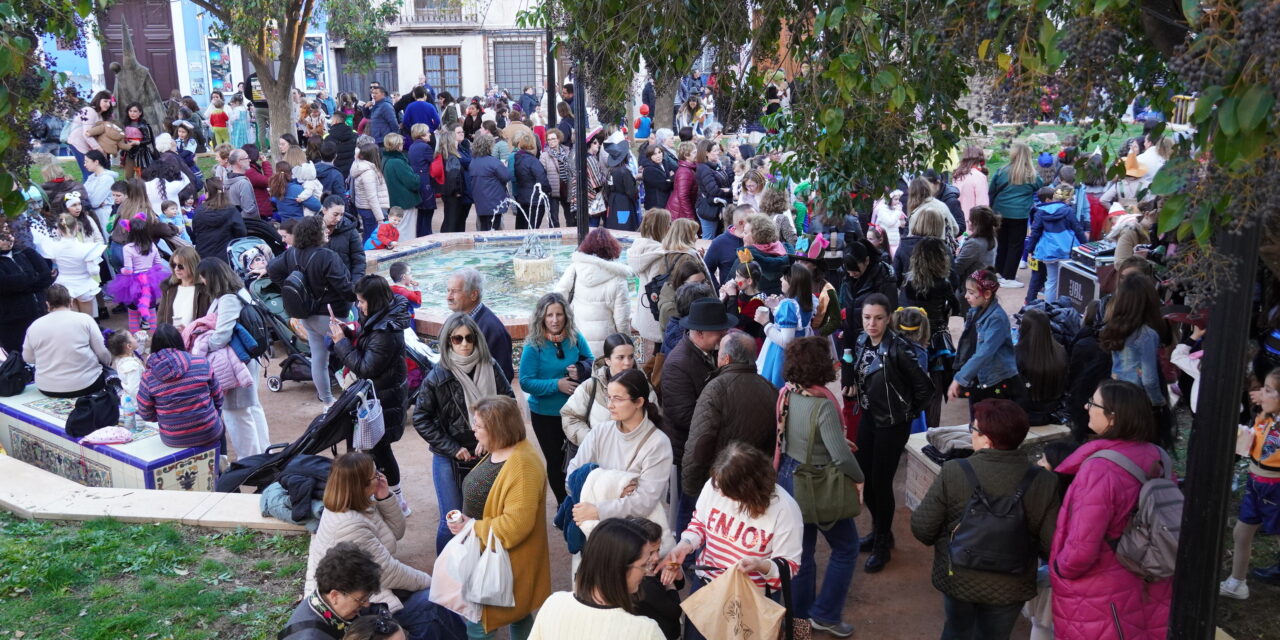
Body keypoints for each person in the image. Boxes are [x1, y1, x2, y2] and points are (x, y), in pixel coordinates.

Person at [911, 399, 1060, 640]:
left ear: (987, 439)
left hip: (958, 576)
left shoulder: (954, 471)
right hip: (1011, 583)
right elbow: (1050, 544)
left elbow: (922, 528)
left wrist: (951, 540)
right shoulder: (1044, 481)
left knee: (957, 630)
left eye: (974, 430)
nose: (972, 435)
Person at [1050, 380, 1171, 639]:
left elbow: (1082, 548)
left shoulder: (1100, 469)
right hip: (1150, 578)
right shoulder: (1159, 456)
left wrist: (1061, 568)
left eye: (1093, 403)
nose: (1086, 406)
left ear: (1113, 417)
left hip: (1101, 594)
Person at [305, 452, 458, 640]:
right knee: (431, 603)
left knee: (433, 603)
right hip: (361, 603)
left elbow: (396, 533)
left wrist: (385, 498)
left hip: (368, 589)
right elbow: (389, 573)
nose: (380, 478)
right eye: (375, 476)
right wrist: (432, 582)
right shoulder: (350, 524)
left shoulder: (353, 503)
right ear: (359, 485)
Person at [662, 443, 803, 640]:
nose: (718, 492)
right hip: (707, 586)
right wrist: (685, 544)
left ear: (748, 489)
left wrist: (761, 565)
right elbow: (699, 524)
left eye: (726, 489)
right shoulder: (715, 485)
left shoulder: (785, 509)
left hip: (752, 598)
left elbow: (790, 567)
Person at [775, 336, 864, 637]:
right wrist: (859, 477)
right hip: (816, 481)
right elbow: (839, 456)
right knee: (847, 546)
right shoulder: (822, 405)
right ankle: (825, 614)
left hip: (788, 476)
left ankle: (799, 624)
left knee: (802, 555)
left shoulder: (787, 394)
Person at [445, 396, 552, 639]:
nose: (473, 429)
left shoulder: (523, 467)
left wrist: (472, 527)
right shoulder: (501, 450)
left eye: (479, 426)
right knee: (519, 612)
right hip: (494, 556)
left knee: (478, 624)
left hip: (501, 561)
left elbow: (515, 526)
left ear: (498, 430)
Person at [413, 312, 514, 552]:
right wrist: (452, 448)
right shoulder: (438, 376)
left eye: (469, 338)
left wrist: (491, 434)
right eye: (457, 339)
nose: (465, 344)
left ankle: (480, 571)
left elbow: (508, 402)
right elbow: (421, 417)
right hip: (450, 455)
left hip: (488, 451)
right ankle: (445, 579)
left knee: (486, 515)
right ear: (448, 341)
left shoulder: (490, 366)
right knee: (452, 519)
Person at [848, 293, 934, 572]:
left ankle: (882, 542)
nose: (871, 324)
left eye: (878, 318)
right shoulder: (862, 341)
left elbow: (925, 390)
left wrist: (905, 414)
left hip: (892, 424)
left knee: (881, 484)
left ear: (889, 320)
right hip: (870, 418)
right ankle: (880, 531)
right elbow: (862, 373)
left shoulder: (899, 349)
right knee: (865, 479)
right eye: (867, 318)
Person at [330, 275, 413, 515]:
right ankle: (392, 498)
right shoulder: (382, 316)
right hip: (381, 395)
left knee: (380, 450)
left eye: (362, 302)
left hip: (383, 398)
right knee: (377, 449)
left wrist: (340, 343)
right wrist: (348, 330)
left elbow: (366, 367)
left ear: (374, 301)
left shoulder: (386, 331)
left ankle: (397, 501)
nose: (359, 306)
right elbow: (366, 335)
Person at [660, 298, 736, 531]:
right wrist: (724, 417)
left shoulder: (707, 352)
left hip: (705, 448)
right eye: (718, 331)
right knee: (692, 510)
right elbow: (683, 416)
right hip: (689, 452)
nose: (723, 334)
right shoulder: (677, 364)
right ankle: (688, 563)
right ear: (700, 333)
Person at [528, 518, 666, 640]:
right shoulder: (645, 631)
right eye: (643, 565)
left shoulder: (553, 604)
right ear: (619, 569)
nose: (646, 571)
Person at [267, 216, 355, 408]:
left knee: (319, 359)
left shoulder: (292, 254)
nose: (327, 231)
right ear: (315, 233)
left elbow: (272, 269)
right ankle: (358, 394)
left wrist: (289, 289)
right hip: (332, 317)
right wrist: (362, 297)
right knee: (354, 354)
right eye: (323, 229)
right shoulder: (328, 256)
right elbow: (345, 288)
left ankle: (327, 402)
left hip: (308, 317)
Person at [520, 293, 592, 505]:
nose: (554, 319)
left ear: (566, 316)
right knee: (556, 461)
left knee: (579, 456)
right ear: (541, 317)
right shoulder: (533, 345)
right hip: (546, 414)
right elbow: (525, 382)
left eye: (559, 314)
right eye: (549, 315)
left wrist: (581, 369)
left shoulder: (575, 337)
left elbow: (591, 361)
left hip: (576, 411)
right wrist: (556, 385)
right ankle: (564, 505)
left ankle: (581, 498)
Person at [197, 258, 271, 458]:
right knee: (252, 407)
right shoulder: (239, 292)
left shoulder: (228, 299)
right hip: (245, 359)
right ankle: (263, 453)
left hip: (235, 362)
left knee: (236, 413)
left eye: (203, 277)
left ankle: (249, 460)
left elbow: (222, 335)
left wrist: (203, 343)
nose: (201, 281)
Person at [1220, 369, 1280, 599]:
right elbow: (1254, 441)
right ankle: (1237, 582)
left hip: (1275, 488)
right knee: (1241, 533)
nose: (1261, 393)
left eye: (1268, 390)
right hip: (1254, 484)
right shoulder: (1265, 416)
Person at [1099, 273, 1171, 447]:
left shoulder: (1113, 327)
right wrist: (1158, 403)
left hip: (1115, 395)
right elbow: (1149, 378)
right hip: (1138, 400)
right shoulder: (1147, 335)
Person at [899, 236, 959, 428]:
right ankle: (931, 430)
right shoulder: (944, 284)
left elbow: (903, 308)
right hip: (938, 341)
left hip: (912, 338)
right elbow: (956, 308)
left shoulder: (909, 284)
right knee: (934, 387)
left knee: (911, 385)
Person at [136, 323, 224, 449]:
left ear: (154, 346)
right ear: (179, 341)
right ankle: (221, 459)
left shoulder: (148, 376)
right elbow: (219, 398)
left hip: (172, 438)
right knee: (217, 418)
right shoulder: (202, 363)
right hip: (208, 433)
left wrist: (167, 415)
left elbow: (145, 413)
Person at [560, 333, 652, 451]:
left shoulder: (643, 385)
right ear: (607, 360)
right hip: (599, 459)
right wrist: (594, 442)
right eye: (621, 357)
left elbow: (655, 417)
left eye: (631, 356)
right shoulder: (591, 385)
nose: (628, 363)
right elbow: (570, 416)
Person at [949, 270, 1023, 411]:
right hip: (979, 376)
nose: (966, 296)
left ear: (987, 294)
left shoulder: (996, 319)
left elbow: (984, 353)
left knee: (988, 422)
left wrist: (960, 378)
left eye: (971, 292)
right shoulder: (975, 311)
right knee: (977, 421)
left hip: (994, 381)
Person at [280, 542, 383, 640]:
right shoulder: (312, 636)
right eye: (361, 600)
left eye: (367, 598)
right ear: (335, 596)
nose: (366, 604)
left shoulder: (321, 600)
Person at [23, 284, 112, 397]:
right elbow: (102, 353)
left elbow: (28, 358)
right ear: (70, 301)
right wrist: (108, 362)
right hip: (87, 384)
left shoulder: (34, 325)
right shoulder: (85, 319)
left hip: (46, 387)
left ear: (48, 304)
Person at [554, 228, 632, 355]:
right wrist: (627, 345)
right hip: (606, 344)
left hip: (577, 339)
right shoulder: (618, 278)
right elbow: (622, 321)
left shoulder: (575, 269)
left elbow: (557, 297)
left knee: (582, 372)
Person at [988, 142, 1043, 287]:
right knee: (1015, 245)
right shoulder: (1032, 175)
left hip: (1000, 212)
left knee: (1002, 243)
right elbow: (1040, 185)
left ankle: (998, 272)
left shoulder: (1001, 171)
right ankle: (1009, 276)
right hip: (1020, 215)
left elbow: (992, 189)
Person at [104, 213, 169, 334]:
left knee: (133, 313)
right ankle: (153, 337)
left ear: (130, 232)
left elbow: (128, 270)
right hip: (151, 282)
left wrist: (122, 271)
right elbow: (159, 265)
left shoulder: (128, 248)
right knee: (152, 310)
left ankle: (137, 340)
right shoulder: (152, 245)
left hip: (133, 283)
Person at [445, 268, 513, 382]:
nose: (449, 297)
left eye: (455, 291)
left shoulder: (491, 329)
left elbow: (504, 377)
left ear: (473, 295)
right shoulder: (456, 320)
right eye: (448, 291)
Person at [755, 262, 817, 387]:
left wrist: (765, 323)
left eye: (784, 277)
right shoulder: (808, 299)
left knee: (775, 390)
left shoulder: (788, 305)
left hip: (781, 356)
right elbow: (797, 325)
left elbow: (786, 341)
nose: (780, 279)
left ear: (792, 282)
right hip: (800, 353)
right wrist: (776, 308)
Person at [1026, 184, 1087, 304]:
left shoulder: (1040, 212)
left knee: (1051, 281)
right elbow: (1078, 229)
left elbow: (1035, 233)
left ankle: (1050, 307)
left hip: (1049, 252)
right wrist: (1085, 246)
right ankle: (1065, 306)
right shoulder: (1068, 210)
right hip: (1067, 250)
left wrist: (1030, 249)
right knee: (1068, 280)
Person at [0, 222, 54, 352]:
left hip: (40, 312)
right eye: (2, 236)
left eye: (9, 233)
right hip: (13, 321)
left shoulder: (25, 252)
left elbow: (47, 276)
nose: (8, 239)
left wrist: (23, 283)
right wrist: (33, 279)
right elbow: (5, 284)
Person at [626, 210, 674, 355]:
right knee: (661, 353)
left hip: (644, 311)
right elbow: (660, 288)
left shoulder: (639, 249)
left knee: (657, 352)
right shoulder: (660, 255)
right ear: (662, 227)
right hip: (657, 314)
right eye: (669, 224)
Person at [1017, 308, 1068, 425]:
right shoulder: (1061, 351)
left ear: (1024, 328)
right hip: (1053, 409)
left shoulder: (1018, 354)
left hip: (1026, 411)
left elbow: (1022, 386)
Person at [48, 214, 105, 316]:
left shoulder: (53, 247)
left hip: (65, 286)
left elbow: (55, 262)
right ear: (77, 227)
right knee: (87, 319)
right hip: (84, 285)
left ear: (59, 230)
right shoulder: (86, 248)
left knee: (74, 319)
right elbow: (94, 271)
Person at [190, 178, 247, 266]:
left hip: (203, 257)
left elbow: (195, 232)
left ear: (207, 193)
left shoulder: (198, 212)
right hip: (226, 257)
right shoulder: (231, 210)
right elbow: (241, 232)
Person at [953, 206, 999, 309]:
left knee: (970, 319)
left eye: (970, 219)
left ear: (976, 224)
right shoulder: (992, 239)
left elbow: (957, 267)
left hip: (972, 289)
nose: (967, 221)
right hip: (984, 285)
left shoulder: (974, 244)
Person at [157, 246, 210, 332]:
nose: (176, 269)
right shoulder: (169, 288)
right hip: (172, 340)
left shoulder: (205, 290)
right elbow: (161, 318)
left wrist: (189, 332)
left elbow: (209, 321)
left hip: (195, 341)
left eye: (180, 266)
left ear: (192, 265)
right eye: (174, 265)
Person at [467, 132, 511, 231]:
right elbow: (507, 176)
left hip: (480, 201)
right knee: (494, 228)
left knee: (483, 227)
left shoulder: (473, 161)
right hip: (494, 201)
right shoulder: (493, 162)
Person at [703, 204, 752, 289]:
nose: (758, 222)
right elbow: (707, 269)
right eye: (752, 220)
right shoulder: (720, 242)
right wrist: (719, 290)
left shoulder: (758, 239)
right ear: (741, 223)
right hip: (732, 298)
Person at [433, 124, 471, 233]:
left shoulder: (448, 154)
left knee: (453, 220)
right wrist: (458, 192)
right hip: (455, 194)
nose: (461, 134)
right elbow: (454, 176)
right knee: (453, 221)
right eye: (457, 134)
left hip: (450, 192)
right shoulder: (453, 157)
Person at [381, 134, 420, 238]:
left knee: (398, 230)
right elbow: (413, 182)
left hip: (394, 201)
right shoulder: (397, 162)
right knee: (406, 232)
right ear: (398, 145)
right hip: (404, 202)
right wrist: (418, 177)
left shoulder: (385, 159)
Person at [351, 144, 391, 243]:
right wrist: (380, 218)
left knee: (368, 235)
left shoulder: (361, 166)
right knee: (371, 238)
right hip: (370, 210)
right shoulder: (368, 173)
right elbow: (372, 197)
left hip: (365, 208)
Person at [321, 196, 367, 280]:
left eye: (341, 215)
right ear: (324, 210)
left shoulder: (350, 230)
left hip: (344, 284)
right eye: (335, 214)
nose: (338, 219)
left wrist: (355, 284)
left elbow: (359, 261)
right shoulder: (312, 228)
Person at [512, 129, 551, 229]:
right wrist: (548, 190)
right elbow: (542, 180)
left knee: (522, 229)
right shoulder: (533, 161)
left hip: (523, 198)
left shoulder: (518, 159)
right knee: (532, 230)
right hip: (534, 200)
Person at [693, 140, 731, 239]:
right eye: (714, 150)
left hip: (714, 207)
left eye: (718, 150)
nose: (718, 152)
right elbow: (713, 190)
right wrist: (730, 192)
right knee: (708, 239)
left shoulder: (714, 166)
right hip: (707, 208)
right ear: (706, 153)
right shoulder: (704, 169)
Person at [405, 124, 437, 236]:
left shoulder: (413, 146)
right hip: (426, 183)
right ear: (422, 134)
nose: (430, 134)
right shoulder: (425, 147)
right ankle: (426, 236)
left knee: (421, 213)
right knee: (428, 211)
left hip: (418, 181)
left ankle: (420, 235)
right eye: (428, 132)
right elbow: (433, 163)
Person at [541, 129, 570, 227]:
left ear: (558, 139)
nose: (550, 141)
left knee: (570, 217)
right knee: (553, 219)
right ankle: (555, 239)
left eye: (553, 139)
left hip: (566, 187)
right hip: (553, 189)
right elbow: (542, 173)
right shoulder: (545, 155)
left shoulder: (567, 152)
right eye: (548, 140)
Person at [952, 146, 990, 223]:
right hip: (973, 222)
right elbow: (982, 205)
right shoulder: (979, 176)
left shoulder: (957, 175)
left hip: (958, 220)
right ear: (980, 158)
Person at [666, 141, 698, 222]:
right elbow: (683, 196)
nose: (697, 154)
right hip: (679, 212)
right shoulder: (685, 172)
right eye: (694, 152)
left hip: (680, 210)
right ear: (686, 155)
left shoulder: (689, 168)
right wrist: (690, 217)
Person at [641, 144, 673, 210]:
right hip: (656, 205)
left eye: (659, 152)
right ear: (649, 156)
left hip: (664, 202)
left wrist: (668, 179)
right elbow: (665, 185)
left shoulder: (664, 163)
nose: (658, 156)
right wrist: (671, 177)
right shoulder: (649, 170)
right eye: (654, 154)